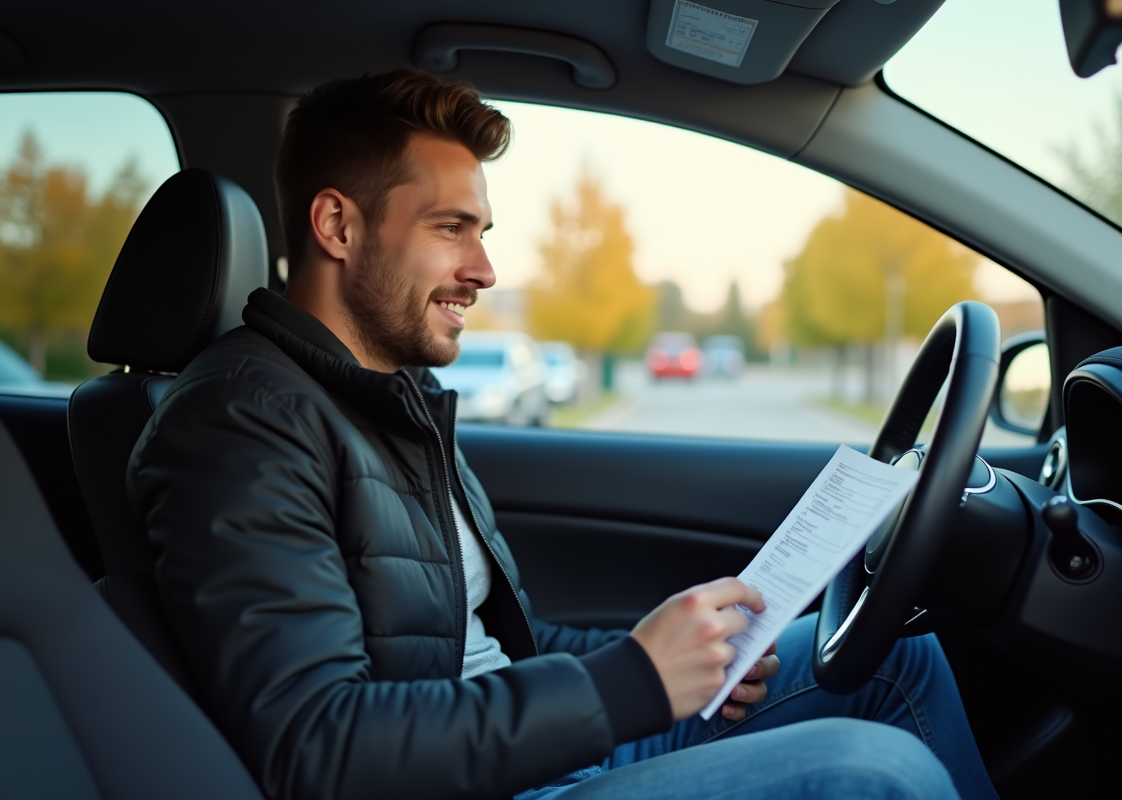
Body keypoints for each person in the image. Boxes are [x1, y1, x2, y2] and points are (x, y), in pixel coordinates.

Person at [128, 70, 997, 800]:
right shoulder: (238, 423)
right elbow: (315, 746)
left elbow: (505, 647)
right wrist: (628, 685)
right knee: (873, 773)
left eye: (483, 232)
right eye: (449, 229)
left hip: (521, 755)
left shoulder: (393, 398)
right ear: (337, 227)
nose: (484, 269)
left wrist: (665, 654)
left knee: (899, 657)